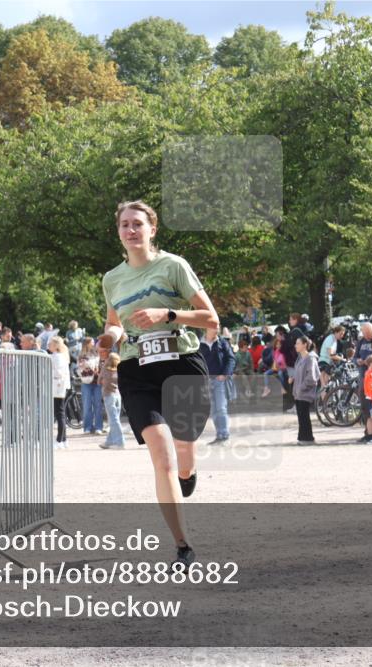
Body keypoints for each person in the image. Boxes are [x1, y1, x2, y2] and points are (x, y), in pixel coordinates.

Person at [98, 199, 218, 569]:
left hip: (181, 363)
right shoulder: (112, 278)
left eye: (138, 223)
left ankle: (189, 472)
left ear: (153, 229)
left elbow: (210, 318)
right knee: (161, 456)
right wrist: (109, 341)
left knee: (183, 448)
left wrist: (167, 313)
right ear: (118, 232)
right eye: (124, 225)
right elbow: (114, 323)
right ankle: (183, 546)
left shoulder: (173, 266)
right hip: (138, 370)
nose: (131, 230)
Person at [200, 327, 233, 445]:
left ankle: (224, 435)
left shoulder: (222, 342)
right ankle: (219, 435)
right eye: (214, 327)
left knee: (221, 408)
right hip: (206, 381)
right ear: (206, 329)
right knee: (213, 410)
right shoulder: (199, 344)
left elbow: (231, 359)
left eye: (217, 327)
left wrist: (224, 374)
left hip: (219, 380)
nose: (217, 329)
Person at [290, 335, 319, 445]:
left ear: (305, 345)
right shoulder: (300, 358)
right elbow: (299, 373)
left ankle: (308, 438)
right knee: (301, 416)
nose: (295, 345)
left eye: (298, 343)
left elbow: (311, 377)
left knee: (304, 416)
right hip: (298, 392)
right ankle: (303, 438)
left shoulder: (310, 358)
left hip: (304, 392)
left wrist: (301, 387)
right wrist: (293, 378)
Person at [77, 337, 104, 435]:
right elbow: (80, 367)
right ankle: (87, 427)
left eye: (94, 342)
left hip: (97, 381)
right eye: (92, 342)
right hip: (86, 381)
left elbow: (101, 365)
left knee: (98, 405)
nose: (94, 343)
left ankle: (98, 427)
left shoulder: (98, 353)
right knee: (87, 405)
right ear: (86, 343)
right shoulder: (81, 355)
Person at [99, 352, 126, 449]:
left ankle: (120, 442)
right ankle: (109, 441)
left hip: (108, 395)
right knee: (115, 419)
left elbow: (99, 381)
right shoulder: (120, 370)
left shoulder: (105, 370)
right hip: (118, 395)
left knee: (113, 420)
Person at [48, 337, 70, 449]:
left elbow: (59, 372)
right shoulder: (60, 356)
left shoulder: (57, 357)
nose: (48, 345)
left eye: (50, 343)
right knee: (61, 412)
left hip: (58, 387)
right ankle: (64, 439)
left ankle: (59, 440)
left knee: (59, 413)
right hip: (60, 386)